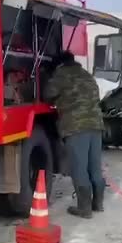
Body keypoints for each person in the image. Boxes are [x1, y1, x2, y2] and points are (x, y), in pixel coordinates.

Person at [43, 50, 105, 219]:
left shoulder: (61, 75)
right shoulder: (87, 75)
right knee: (95, 167)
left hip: (76, 127)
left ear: (59, 64)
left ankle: (84, 209)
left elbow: (47, 95)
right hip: (96, 126)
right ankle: (98, 204)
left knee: (79, 168)